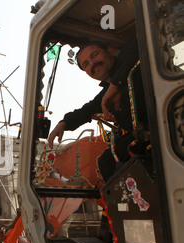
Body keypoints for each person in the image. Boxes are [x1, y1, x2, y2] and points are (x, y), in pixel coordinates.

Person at [47, 38, 148, 183]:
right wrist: (64, 123)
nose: (92, 63)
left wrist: (115, 85)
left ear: (109, 51)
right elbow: (85, 111)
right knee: (106, 161)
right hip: (143, 138)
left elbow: (138, 43)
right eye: (86, 64)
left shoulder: (134, 61)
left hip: (167, 126)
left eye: (94, 55)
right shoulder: (103, 97)